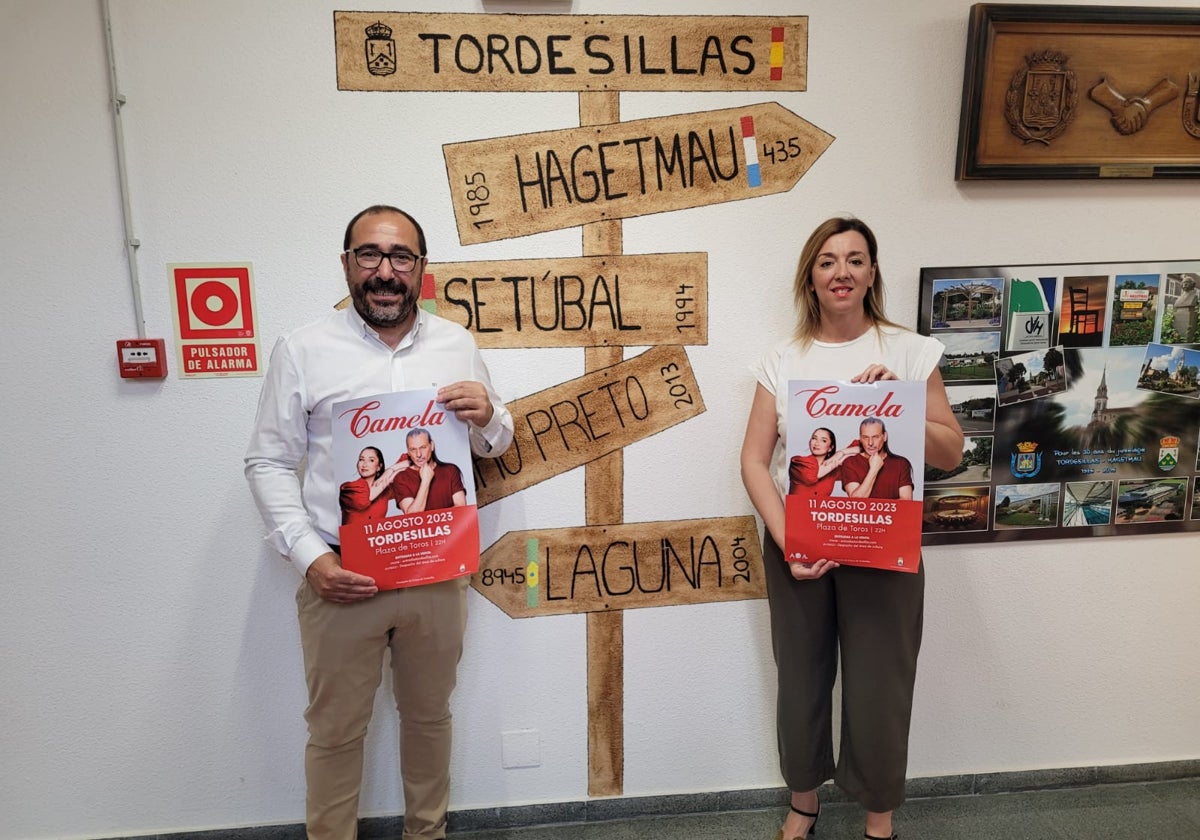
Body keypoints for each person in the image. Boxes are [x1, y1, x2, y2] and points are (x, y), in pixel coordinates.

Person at [245, 204, 514, 840]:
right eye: (370, 255)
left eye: (400, 258)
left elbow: (493, 446)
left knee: (429, 718)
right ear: (346, 264)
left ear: (422, 269)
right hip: (341, 573)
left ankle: (428, 833)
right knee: (336, 732)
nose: (385, 271)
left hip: (436, 572)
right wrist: (311, 557)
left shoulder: (457, 343)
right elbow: (267, 460)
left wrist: (490, 417)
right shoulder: (303, 348)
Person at [740, 216, 963, 840]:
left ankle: (878, 817)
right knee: (801, 680)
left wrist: (903, 406)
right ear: (810, 277)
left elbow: (950, 453)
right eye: (828, 261)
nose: (842, 271)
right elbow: (755, 461)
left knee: (880, 683)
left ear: (872, 273)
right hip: (799, 544)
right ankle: (804, 805)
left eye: (855, 259)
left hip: (885, 541)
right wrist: (792, 543)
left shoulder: (911, 351)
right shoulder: (780, 361)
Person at [391, 428, 467, 513]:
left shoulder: (451, 470)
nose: (418, 454)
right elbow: (412, 517)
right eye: (413, 449)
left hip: (453, 526)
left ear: (432, 445)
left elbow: (461, 510)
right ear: (408, 451)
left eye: (423, 447)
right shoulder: (400, 478)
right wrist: (425, 481)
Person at [841, 417, 914, 500]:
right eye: (865, 437)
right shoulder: (850, 463)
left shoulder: (901, 463)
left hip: (891, 514)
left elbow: (906, 502)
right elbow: (856, 501)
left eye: (875, 437)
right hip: (867, 513)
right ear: (860, 438)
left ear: (884, 436)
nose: (870, 443)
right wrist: (874, 469)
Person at [339, 445, 407, 525]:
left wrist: (390, 470)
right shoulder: (348, 489)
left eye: (371, 460)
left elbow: (415, 461)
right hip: (353, 536)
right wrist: (391, 476)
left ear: (379, 467)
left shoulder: (386, 490)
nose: (364, 465)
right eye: (361, 459)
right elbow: (363, 500)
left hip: (376, 537)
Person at [788, 426, 860, 499]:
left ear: (830, 448)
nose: (817, 443)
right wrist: (839, 460)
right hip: (796, 509)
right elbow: (812, 476)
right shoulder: (798, 462)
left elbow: (866, 448)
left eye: (823, 440)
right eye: (814, 438)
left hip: (819, 510)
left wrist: (841, 452)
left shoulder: (834, 471)